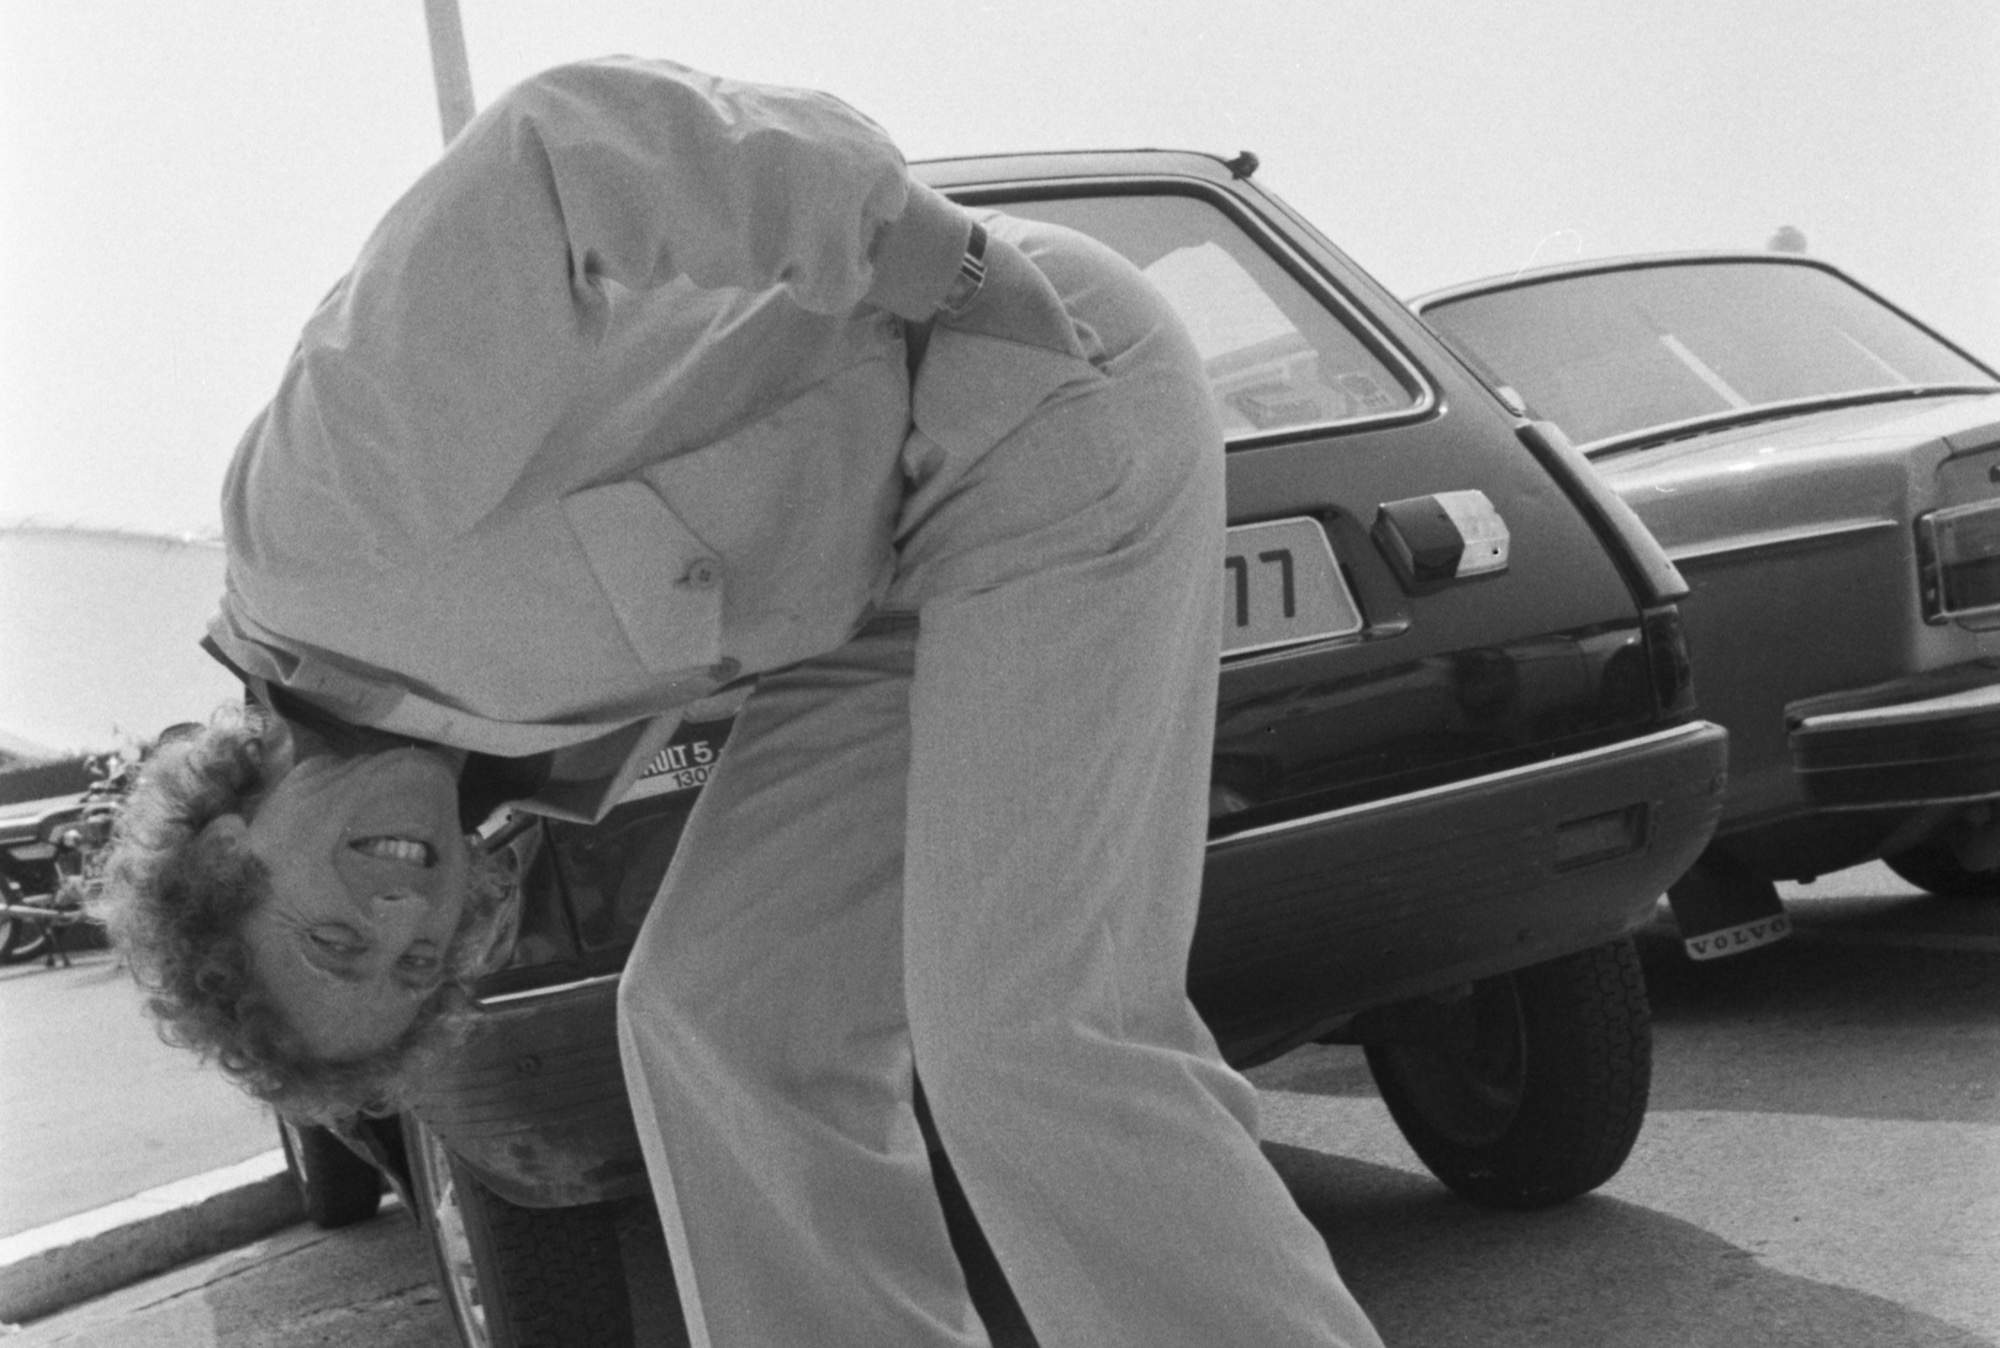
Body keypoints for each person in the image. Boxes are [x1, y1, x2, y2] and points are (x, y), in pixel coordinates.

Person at [95, 56, 1385, 1348]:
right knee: (718, 1024)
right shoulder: (485, 751)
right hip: (891, 581)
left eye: (334, 940)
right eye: (417, 959)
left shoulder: (313, 530)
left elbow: (553, 157)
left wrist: (939, 261)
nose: (399, 913)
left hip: (1008, 382)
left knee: (1025, 1037)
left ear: (225, 847)